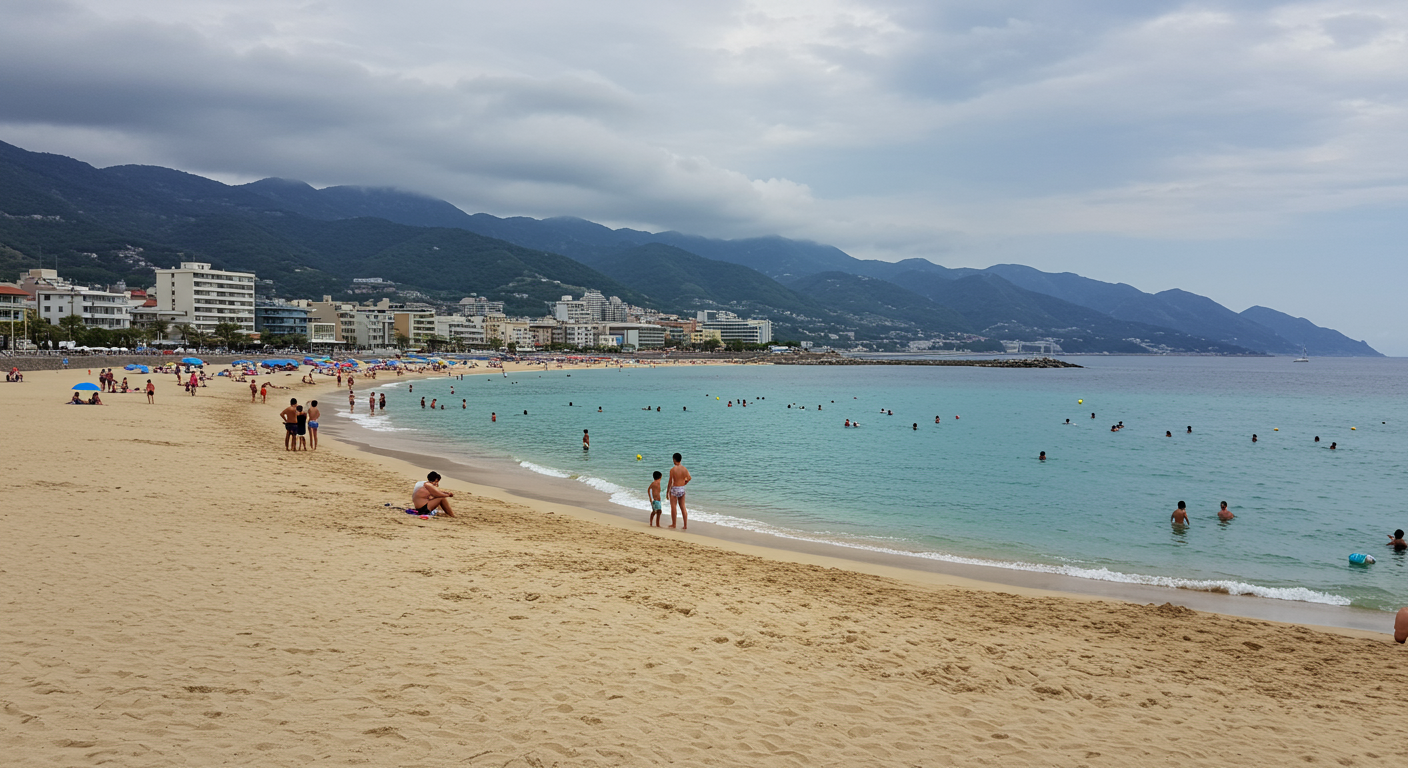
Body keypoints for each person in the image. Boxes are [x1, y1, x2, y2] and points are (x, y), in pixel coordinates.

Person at [667, 452, 691, 530]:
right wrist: (685, 483)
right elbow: (689, 478)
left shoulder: (672, 469)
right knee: (683, 507)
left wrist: (668, 492)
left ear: (674, 460)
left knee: (673, 507)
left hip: (675, 489)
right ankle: (685, 525)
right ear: (680, 460)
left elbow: (670, 482)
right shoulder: (684, 469)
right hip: (682, 488)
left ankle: (674, 524)